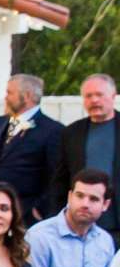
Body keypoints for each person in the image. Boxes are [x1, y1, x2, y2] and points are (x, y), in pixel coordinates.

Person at [0, 71, 64, 222]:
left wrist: (39, 209)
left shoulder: (53, 130)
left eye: (10, 93)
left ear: (27, 96)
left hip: (26, 213)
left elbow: (56, 176)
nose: (5, 98)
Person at [54, 75, 120, 240]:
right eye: (89, 96)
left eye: (99, 95)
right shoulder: (71, 133)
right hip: (80, 222)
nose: (94, 100)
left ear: (113, 97)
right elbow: (61, 177)